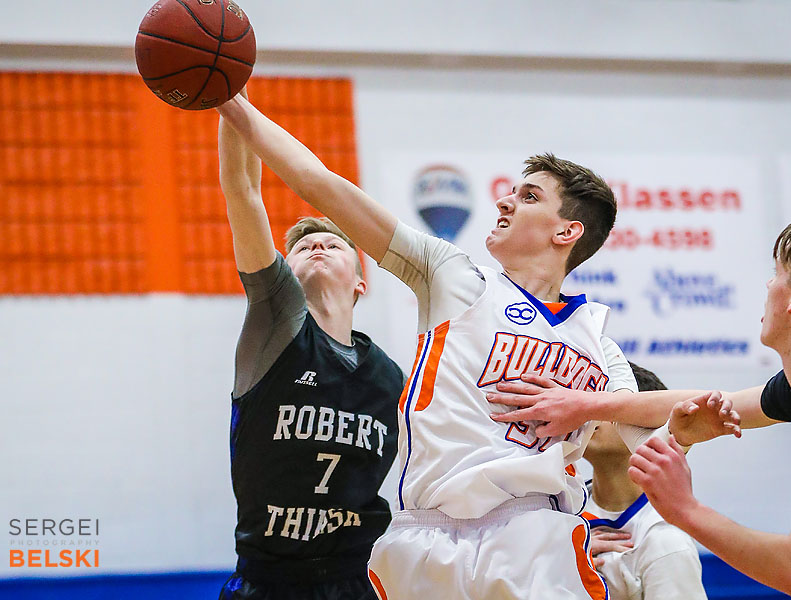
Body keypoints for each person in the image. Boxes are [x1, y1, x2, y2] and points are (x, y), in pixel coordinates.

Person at [215, 93, 738, 600]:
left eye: (529, 196)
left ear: (567, 231)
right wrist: (230, 100)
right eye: (513, 190)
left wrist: (675, 426)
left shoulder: (596, 340)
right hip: (426, 537)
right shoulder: (452, 277)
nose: (505, 199)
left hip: (532, 534)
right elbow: (318, 183)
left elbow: (641, 434)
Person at [494, 212, 791, 600]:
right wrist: (586, 403)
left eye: (777, 276)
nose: (768, 286)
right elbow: (699, 401)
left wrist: (684, 509)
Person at [216, 90, 405, 600]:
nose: (317, 245)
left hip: (359, 580)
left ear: (362, 281)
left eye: (335, 244)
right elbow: (242, 190)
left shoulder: (391, 378)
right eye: (301, 247)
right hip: (269, 581)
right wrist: (230, 92)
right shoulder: (277, 321)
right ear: (287, 272)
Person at [582, 362, 707, 600]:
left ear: (649, 426)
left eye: (607, 405)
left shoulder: (666, 541)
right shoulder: (561, 513)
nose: (588, 414)